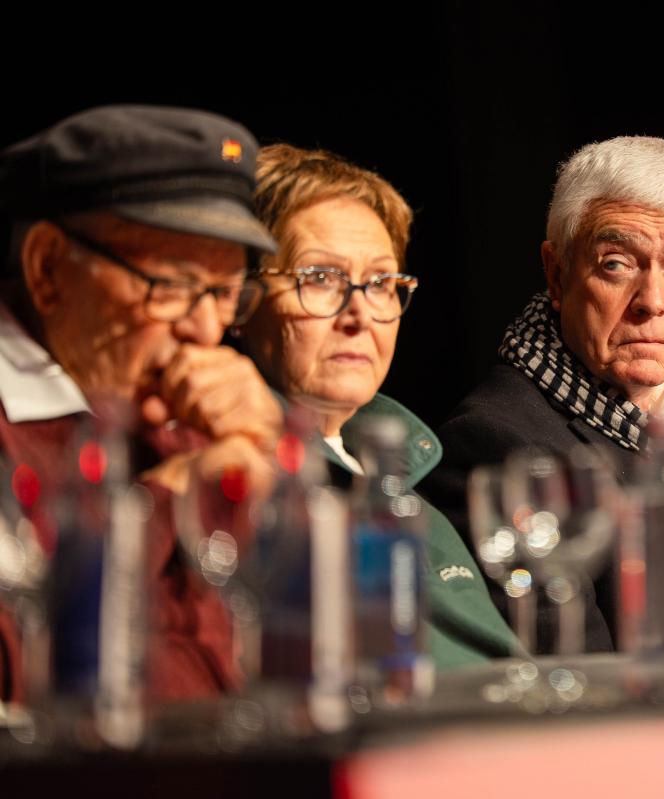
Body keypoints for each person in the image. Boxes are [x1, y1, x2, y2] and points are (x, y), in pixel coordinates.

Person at [425, 136, 664, 653]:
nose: (652, 302)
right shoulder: (497, 444)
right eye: (617, 264)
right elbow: (578, 688)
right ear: (557, 273)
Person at [0, 105, 282, 702]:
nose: (207, 330)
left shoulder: (182, 414)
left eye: (226, 294)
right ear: (48, 268)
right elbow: (20, 670)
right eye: (174, 286)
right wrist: (169, 500)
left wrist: (277, 471)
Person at [239, 144, 519, 668]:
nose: (360, 313)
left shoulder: (405, 484)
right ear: (239, 300)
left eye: (381, 283)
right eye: (320, 278)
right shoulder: (240, 482)